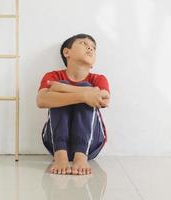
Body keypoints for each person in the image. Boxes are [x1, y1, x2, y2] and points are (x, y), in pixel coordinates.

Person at [36, 33, 110, 175]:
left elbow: (105, 99)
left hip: (91, 144)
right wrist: (85, 94)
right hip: (54, 143)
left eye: (93, 48)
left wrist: (62, 88)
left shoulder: (98, 78)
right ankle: (60, 155)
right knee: (83, 88)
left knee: (84, 85)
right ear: (66, 52)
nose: (89, 48)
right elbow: (41, 100)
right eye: (83, 44)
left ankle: (81, 156)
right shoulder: (53, 76)